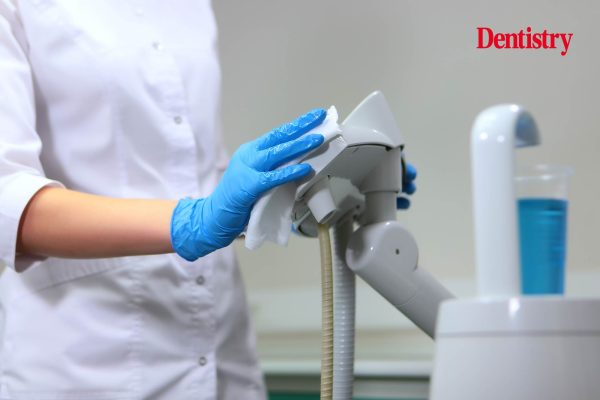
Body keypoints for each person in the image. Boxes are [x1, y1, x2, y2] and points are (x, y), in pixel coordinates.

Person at [0, 1, 416, 399]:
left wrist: (299, 191)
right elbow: (9, 198)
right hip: (89, 355)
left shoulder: (191, 6)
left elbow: (196, 170)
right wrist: (194, 221)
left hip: (221, 346)